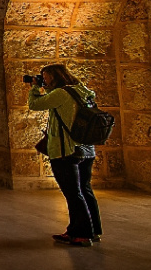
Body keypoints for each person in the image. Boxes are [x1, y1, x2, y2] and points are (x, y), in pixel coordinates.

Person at [28, 63, 102, 247]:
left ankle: (82, 234)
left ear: (54, 77)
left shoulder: (61, 94)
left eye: (46, 77)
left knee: (73, 193)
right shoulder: (82, 91)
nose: (44, 80)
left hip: (65, 150)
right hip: (86, 149)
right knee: (85, 190)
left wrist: (35, 88)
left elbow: (35, 104)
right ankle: (92, 231)